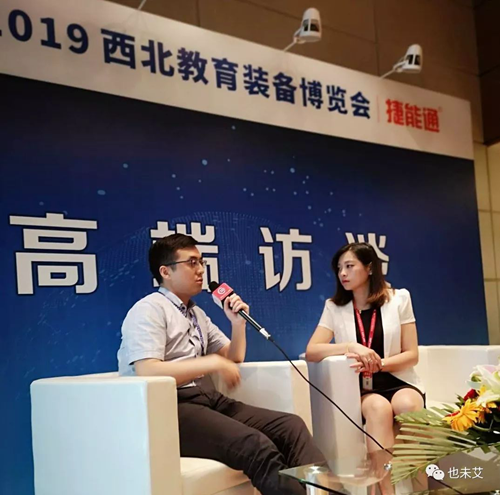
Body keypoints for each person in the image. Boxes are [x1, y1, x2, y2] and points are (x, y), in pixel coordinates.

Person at [118, 233, 324, 495]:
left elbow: (234, 357)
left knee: (290, 427)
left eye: (201, 262)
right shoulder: (148, 309)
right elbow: (148, 370)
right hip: (171, 407)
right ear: (165, 271)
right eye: (191, 263)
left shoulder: (196, 313)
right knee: (256, 445)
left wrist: (237, 324)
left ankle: (322, 492)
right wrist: (212, 363)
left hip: (207, 399)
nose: (200, 270)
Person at [306, 242, 425, 452]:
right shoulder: (334, 307)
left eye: (349, 266)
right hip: (362, 388)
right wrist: (351, 346)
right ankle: (382, 475)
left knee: (408, 406)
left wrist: (378, 364)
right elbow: (312, 351)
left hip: (400, 380)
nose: (343, 273)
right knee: (379, 409)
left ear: (369, 268)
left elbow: (411, 355)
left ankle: (422, 472)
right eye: (339, 268)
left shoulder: (399, 299)